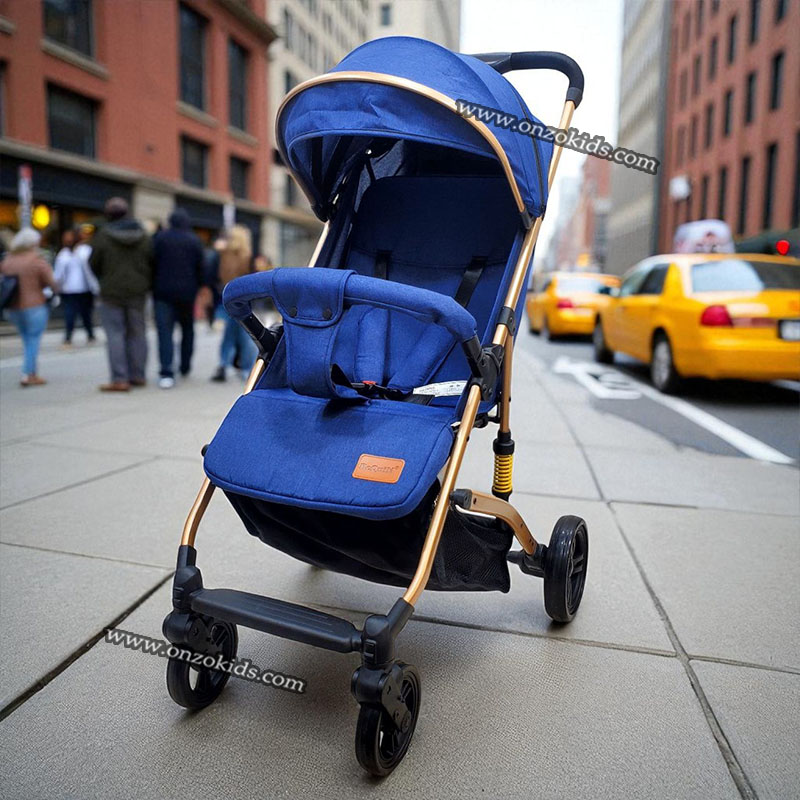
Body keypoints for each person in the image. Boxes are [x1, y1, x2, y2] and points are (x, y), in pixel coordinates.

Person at [89, 197, 151, 392]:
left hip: (111, 292)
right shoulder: (144, 236)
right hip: (138, 291)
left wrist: (106, 279)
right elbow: (153, 261)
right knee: (138, 332)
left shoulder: (103, 236)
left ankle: (120, 378)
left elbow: (93, 263)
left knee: (115, 334)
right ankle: (138, 375)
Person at [151, 209, 205, 389]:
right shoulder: (194, 240)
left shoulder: (160, 238)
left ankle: (166, 371)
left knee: (164, 332)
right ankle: (185, 365)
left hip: (163, 293)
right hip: (187, 294)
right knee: (187, 330)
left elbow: (151, 263)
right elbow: (201, 268)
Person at [0, 228, 59, 386]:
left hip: (13, 307)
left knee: (27, 339)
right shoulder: (36, 259)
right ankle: (28, 374)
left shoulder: (8, 259)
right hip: (34, 305)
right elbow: (51, 282)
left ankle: (30, 371)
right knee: (33, 340)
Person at [211, 225, 257, 382]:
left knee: (229, 335)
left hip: (226, 297)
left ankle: (223, 365)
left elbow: (214, 275)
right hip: (243, 299)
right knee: (244, 335)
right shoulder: (248, 256)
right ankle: (247, 369)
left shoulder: (223, 254)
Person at [53, 229, 96, 347]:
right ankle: (70, 337)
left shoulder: (84, 251)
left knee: (83, 313)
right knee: (72, 314)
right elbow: (59, 273)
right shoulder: (65, 254)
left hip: (83, 289)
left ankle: (89, 335)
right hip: (70, 289)